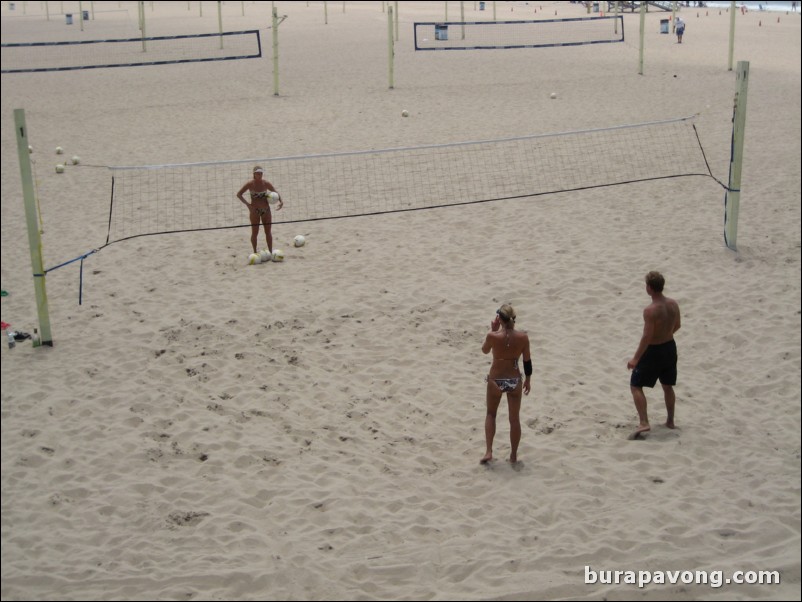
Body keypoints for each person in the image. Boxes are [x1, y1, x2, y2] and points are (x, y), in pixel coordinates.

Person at [627, 271, 681, 437]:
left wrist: (636, 358)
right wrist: (665, 334)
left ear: (649, 288)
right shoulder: (673, 304)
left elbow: (647, 336)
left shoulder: (650, 310)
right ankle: (670, 420)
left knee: (636, 385)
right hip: (670, 347)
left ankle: (643, 422)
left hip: (654, 350)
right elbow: (678, 325)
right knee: (667, 385)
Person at [480, 304, 532, 465]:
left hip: (496, 380)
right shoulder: (523, 337)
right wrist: (528, 380)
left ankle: (489, 451)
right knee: (514, 419)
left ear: (499, 319)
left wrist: (493, 330)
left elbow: (485, 350)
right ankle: (513, 455)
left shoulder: (493, 336)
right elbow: (527, 361)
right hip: (514, 380)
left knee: (491, 414)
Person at [236, 166, 283, 254]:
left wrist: (281, 201)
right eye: (258, 173)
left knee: (268, 232)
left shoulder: (266, 183)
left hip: (266, 210)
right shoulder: (250, 184)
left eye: (261, 173)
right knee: (255, 233)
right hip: (255, 211)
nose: (260, 175)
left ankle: (271, 252)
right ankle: (255, 252)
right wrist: (248, 205)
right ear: (254, 174)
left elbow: (275, 192)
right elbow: (239, 194)